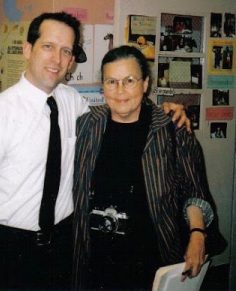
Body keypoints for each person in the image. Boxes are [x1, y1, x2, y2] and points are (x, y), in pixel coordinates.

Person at [0, 12, 188, 290]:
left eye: (66, 51)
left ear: (71, 60)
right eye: (48, 47)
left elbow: (121, 108)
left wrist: (163, 112)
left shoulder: (72, 103)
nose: (57, 59)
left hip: (62, 248)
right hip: (5, 251)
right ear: (28, 49)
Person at [72, 45, 215, 290]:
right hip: (93, 263)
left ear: (145, 84)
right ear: (102, 86)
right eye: (111, 81)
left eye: (129, 80)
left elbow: (194, 191)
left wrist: (197, 233)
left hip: (150, 262)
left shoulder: (172, 129)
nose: (120, 91)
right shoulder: (85, 125)